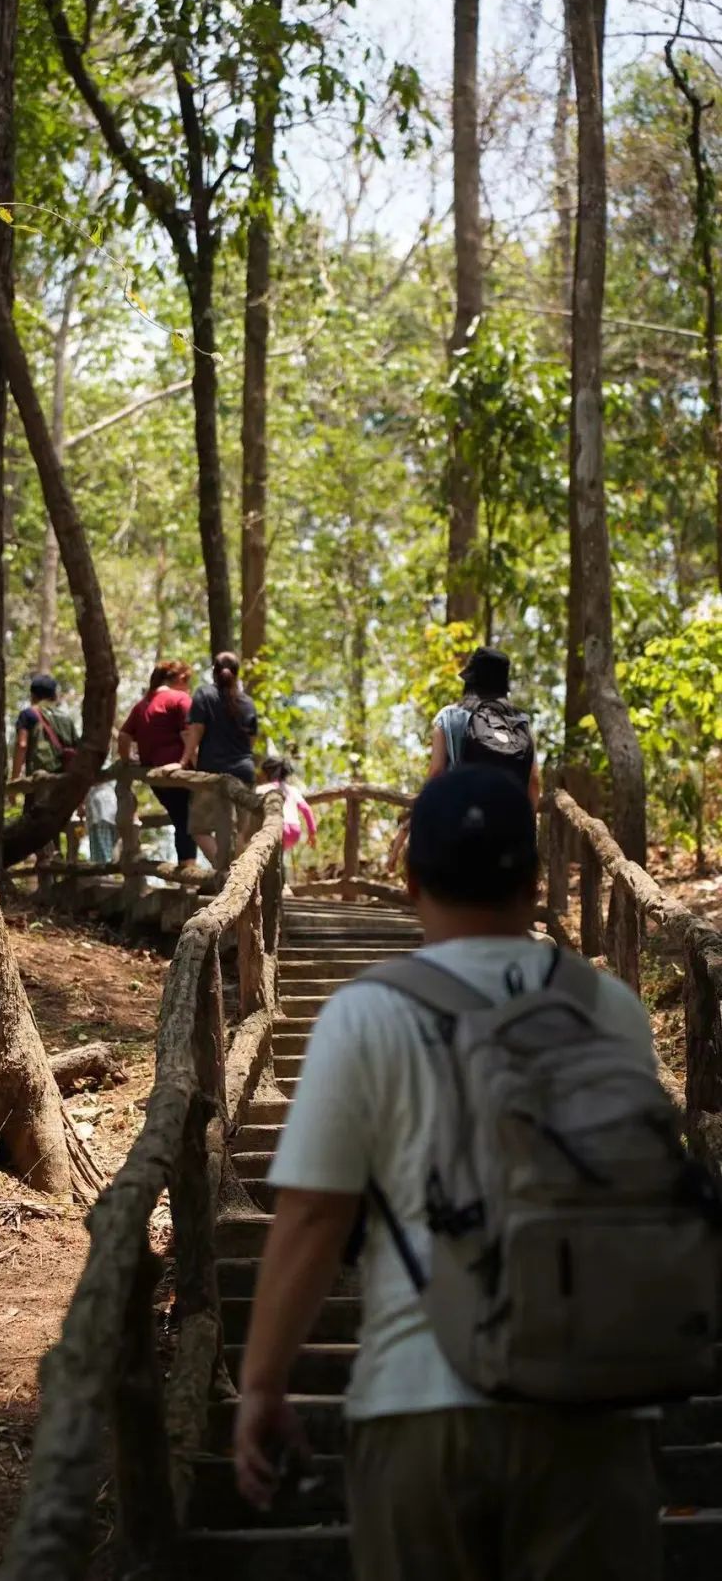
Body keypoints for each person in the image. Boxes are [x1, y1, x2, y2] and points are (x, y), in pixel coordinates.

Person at [234, 767, 663, 1581]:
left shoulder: (368, 1014)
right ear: (536, 880)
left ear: (410, 879)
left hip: (421, 1402)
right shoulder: (612, 1013)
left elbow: (316, 1217)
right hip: (591, 1405)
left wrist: (262, 1383)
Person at [389, 645, 539, 873]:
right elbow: (534, 781)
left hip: (457, 826)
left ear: (470, 680)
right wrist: (527, 829)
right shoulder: (520, 722)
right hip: (505, 831)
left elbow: (437, 773)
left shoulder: (449, 716)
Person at [181, 652, 258, 865]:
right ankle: (234, 875)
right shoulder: (248, 703)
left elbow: (196, 731)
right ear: (237, 674)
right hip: (244, 772)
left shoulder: (204, 695)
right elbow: (251, 742)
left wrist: (184, 760)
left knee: (198, 829)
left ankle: (224, 870)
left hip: (212, 774)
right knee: (239, 833)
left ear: (213, 672)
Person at [118, 661, 195, 864]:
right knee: (188, 821)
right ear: (180, 679)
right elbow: (189, 735)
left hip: (155, 777)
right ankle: (194, 872)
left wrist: (129, 760)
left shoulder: (142, 705)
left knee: (182, 820)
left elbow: (123, 737)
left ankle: (188, 872)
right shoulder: (180, 699)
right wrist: (195, 764)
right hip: (180, 773)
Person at [11, 674, 77, 781]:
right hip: (65, 781)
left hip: (39, 781)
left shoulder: (28, 714)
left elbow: (21, 745)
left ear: (32, 695)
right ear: (55, 696)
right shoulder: (67, 719)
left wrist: (15, 779)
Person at [259, 757, 317, 857]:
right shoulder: (293, 790)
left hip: (276, 828)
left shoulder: (262, 789)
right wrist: (312, 833)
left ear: (267, 773)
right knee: (278, 857)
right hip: (294, 832)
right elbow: (306, 809)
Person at [83, 776, 118, 864]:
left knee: (101, 848)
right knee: (109, 846)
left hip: (99, 810)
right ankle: (106, 870)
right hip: (108, 808)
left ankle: (104, 871)